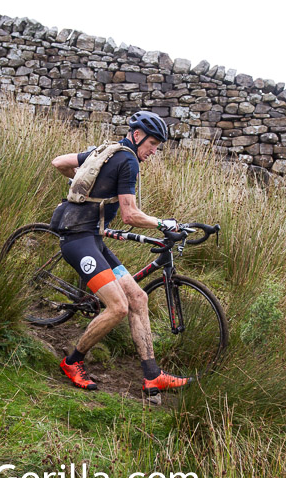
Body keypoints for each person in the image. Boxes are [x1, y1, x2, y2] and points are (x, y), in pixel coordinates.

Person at [50, 111, 190, 396]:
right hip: (77, 238)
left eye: (157, 146)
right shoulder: (128, 161)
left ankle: (153, 376)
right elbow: (130, 215)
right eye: (152, 144)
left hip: (92, 237)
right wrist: (163, 223)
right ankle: (72, 362)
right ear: (137, 135)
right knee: (118, 307)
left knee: (138, 298)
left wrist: (81, 184)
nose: (153, 151)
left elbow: (59, 163)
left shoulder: (107, 151)